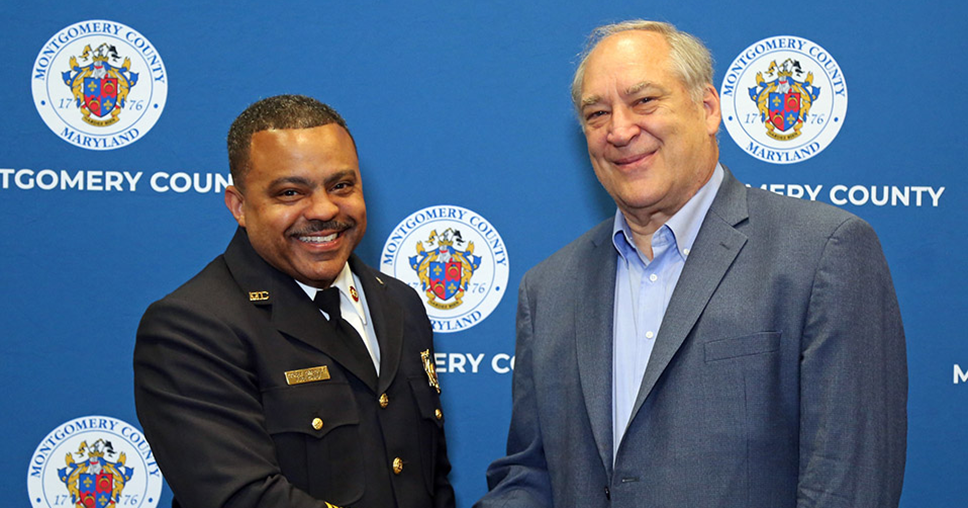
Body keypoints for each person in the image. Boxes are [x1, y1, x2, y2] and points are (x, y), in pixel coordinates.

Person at [476, 20, 906, 508]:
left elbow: (846, 486)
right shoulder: (548, 289)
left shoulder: (824, 253)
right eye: (597, 113)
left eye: (644, 101)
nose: (619, 130)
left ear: (707, 109)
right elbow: (531, 476)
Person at [134, 94, 455, 508]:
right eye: (290, 193)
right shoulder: (190, 327)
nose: (323, 209)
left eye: (341, 186)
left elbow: (429, 483)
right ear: (239, 206)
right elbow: (241, 498)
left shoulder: (400, 303)